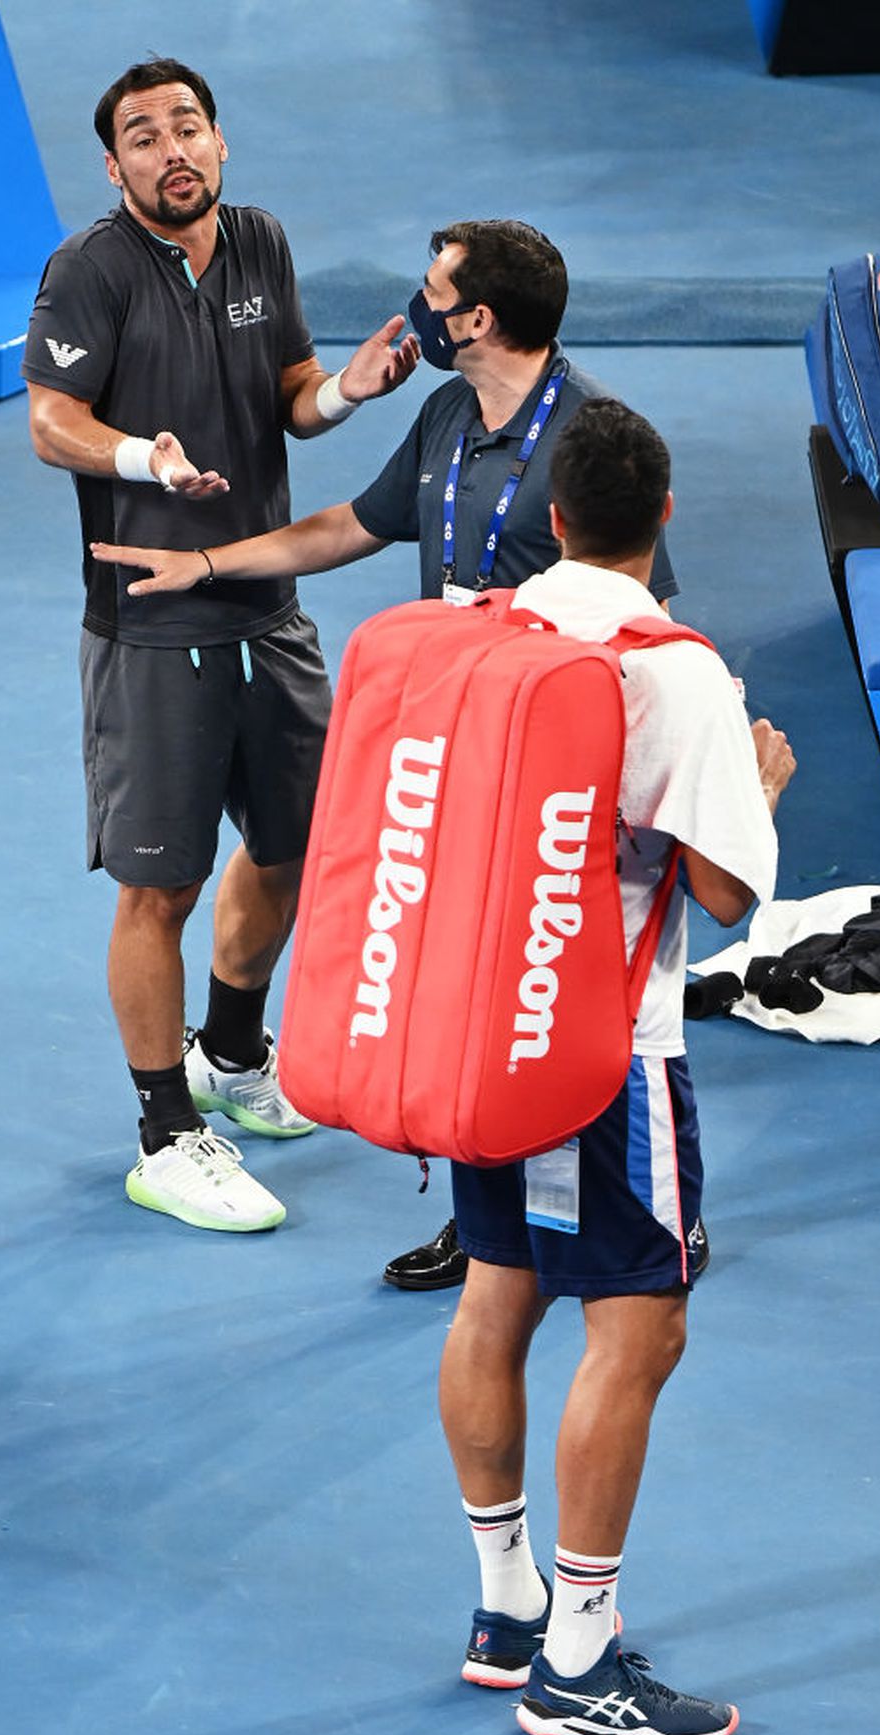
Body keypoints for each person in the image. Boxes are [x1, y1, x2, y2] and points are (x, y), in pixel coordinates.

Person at [91, 216, 678, 1281]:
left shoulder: (588, 439)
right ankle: (492, 1217)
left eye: (435, 294)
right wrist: (212, 563)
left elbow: (640, 614)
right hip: (453, 750)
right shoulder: (452, 411)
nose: (420, 311)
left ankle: (614, 1211)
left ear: (478, 320)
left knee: (552, 1001)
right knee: (464, 988)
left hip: (549, 780)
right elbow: (348, 527)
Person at [436, 397, 794, 1735]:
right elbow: (720, 884)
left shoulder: (491, 630)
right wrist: (760, 782)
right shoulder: (683, 671)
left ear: (559, 520)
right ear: (667, 517)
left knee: (499, 1288)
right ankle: (580, 1658)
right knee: (638, 1326)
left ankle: (505, 1607)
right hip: (607, 1049)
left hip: (485, 1029)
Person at [21, 58, 418, 1234]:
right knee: (162, 886)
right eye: (142, 137)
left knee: (294, 846)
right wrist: (150, 457)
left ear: (221, 142)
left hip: (269, 606)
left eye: (186, 126)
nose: (169, 148)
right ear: (115, 167)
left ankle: (231, 1051)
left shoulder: (259, 241)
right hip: (152, 626)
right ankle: (163, 1133)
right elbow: (51, 422)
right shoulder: (89, 272)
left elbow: (289, 386)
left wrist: (343, 392)